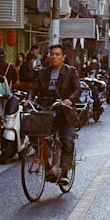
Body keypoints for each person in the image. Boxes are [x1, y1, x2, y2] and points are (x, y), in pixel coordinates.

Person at [32, 44, 81, 187]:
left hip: (65, 112)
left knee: (67, 139)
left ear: (63, 57)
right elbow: (34, 88)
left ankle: (64, 172)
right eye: (52, 54)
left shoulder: (71, 72)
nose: (54, 57)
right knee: (34, 134)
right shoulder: (42, 73)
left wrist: (70, 100)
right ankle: (49, 168)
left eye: (57, 54)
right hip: (47, 111)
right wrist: (29, 98)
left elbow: (77, 89)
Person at [0, 47, 18, 116]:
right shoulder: (11, 66)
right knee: (8, 112)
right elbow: (15, 79)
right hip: (8, 92)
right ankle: (6, 125)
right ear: (4, 55)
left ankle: (0, 125)